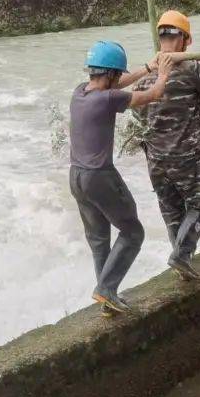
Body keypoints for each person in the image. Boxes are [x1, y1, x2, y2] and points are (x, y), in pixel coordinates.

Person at [133, 10, 200, 280]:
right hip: (186, 158)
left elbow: (138, 115)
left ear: (161, 39)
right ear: (185, 40)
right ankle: (182, 255)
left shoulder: (145, 77)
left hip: (156, 161)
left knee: (172, 211)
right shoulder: (191, 69)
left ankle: (182, 262)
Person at [69, 40, 174, 315]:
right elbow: (152, 95)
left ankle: (106, 294)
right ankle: (106, 289)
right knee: (133, 231)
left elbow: (115, 83)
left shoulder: (79, 92)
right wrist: (162, 73)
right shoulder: (108, 99)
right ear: (112, 74)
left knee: (99, 239)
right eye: (118, 75)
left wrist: (147, 67)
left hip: (76, 177)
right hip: (99, 176)